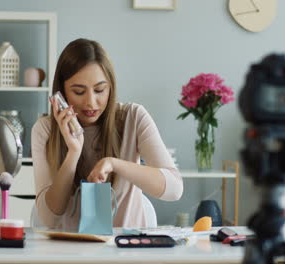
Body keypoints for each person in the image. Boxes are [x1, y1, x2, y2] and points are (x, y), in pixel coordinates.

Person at [31, 38, 183, 229]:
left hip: (127, 252)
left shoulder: (133, 117)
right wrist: (73, 152)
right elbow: (48, 219)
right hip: (70, 252)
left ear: (111, 87)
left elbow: (174, 190)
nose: (91, 103)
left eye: (100, 90)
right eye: (78, 92)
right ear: (61, 92)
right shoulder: (44, 130)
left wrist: (114, 164)